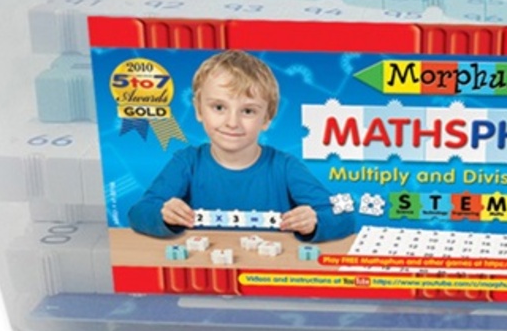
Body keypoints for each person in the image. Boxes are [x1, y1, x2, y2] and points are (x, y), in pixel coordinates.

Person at [128, 50, 355, 242]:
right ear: (198, 110)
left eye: (248, 111)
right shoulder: (187, 162)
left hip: (266, 271)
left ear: (267, 118)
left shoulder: (285, 166)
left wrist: (315, 222)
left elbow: (343, 216)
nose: (232, 122)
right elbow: (139, 212)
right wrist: (164, 215)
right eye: (219, 107)